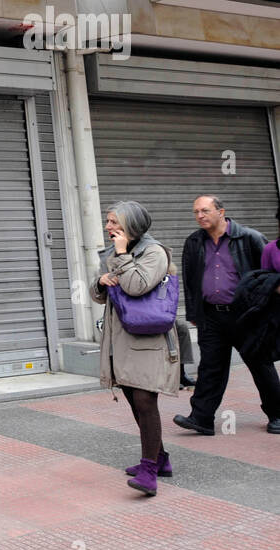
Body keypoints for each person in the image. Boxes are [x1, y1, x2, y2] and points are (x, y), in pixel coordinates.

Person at [89, 202, 180, 496]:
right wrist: (100, 283)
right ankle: (160, 459)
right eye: (107, 221)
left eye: (113, 221)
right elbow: (102, 294)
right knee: (133, 398)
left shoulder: (155, 253)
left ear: (131, 224)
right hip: (123, 339)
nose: (108, 227)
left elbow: (136, 286)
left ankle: (149, 472)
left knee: (145, 401)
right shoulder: (116, 252)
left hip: (149, 341)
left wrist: (123, 255)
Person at [174, 195, 280, 436]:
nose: (199, 216)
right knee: (210, 367)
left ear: (221, 212)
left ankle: (277, 414)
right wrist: (193, 312)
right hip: (211, 316)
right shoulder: (194, 242)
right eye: (196, 212)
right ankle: (201, 418)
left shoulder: (249, 237)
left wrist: (266, 310)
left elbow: (268, 274)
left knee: (260, 365)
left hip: (247, 315)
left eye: (205, 211)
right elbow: (190, 280)